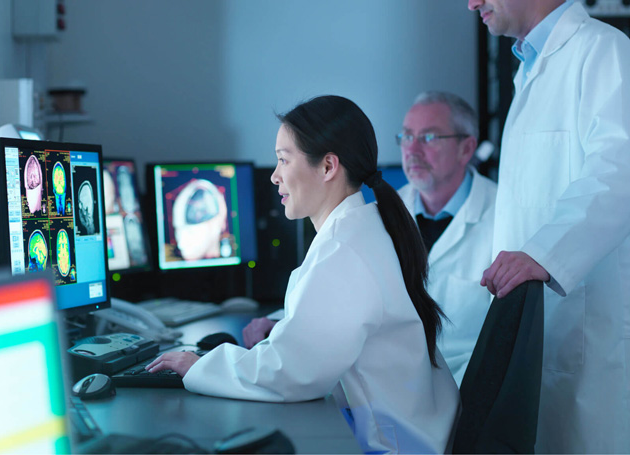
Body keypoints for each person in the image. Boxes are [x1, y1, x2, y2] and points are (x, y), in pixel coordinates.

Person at [147, 95, 460, 453]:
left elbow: (291, 374)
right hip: (411, 430)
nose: (275, 175)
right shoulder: (361, 227)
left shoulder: (345, 249)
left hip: (396, 445)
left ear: (328, 167)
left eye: (284, 160)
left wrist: (198, 366)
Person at [468, 0, 630, 451]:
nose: (471, 3)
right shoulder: (529, 69)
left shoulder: (603, 51)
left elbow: (618, 173)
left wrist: (543, 254)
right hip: (539, 331)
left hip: (585, 338)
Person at [397, 91, 496, 386]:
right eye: (406, 136)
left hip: (470, 394)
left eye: (429, 138)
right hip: (391, 391)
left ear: (466, 149)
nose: (412, 150)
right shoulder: (379, 216)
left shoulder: (504, 215)